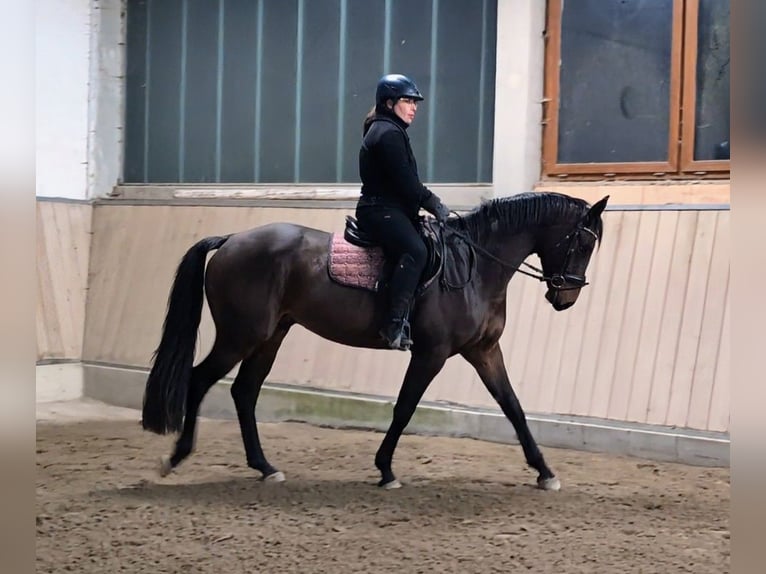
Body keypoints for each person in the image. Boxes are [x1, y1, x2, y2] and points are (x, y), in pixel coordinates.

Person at [355, 73, 451, 351]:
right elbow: (407, 183)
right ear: (388, 103)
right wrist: (435, 204)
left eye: (415, 102)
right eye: (407, 101)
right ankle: (394, 322)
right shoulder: (387, 134)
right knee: (417, 251)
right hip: (380, 211)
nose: (414, 107)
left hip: (389, 209)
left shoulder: (389, 130)